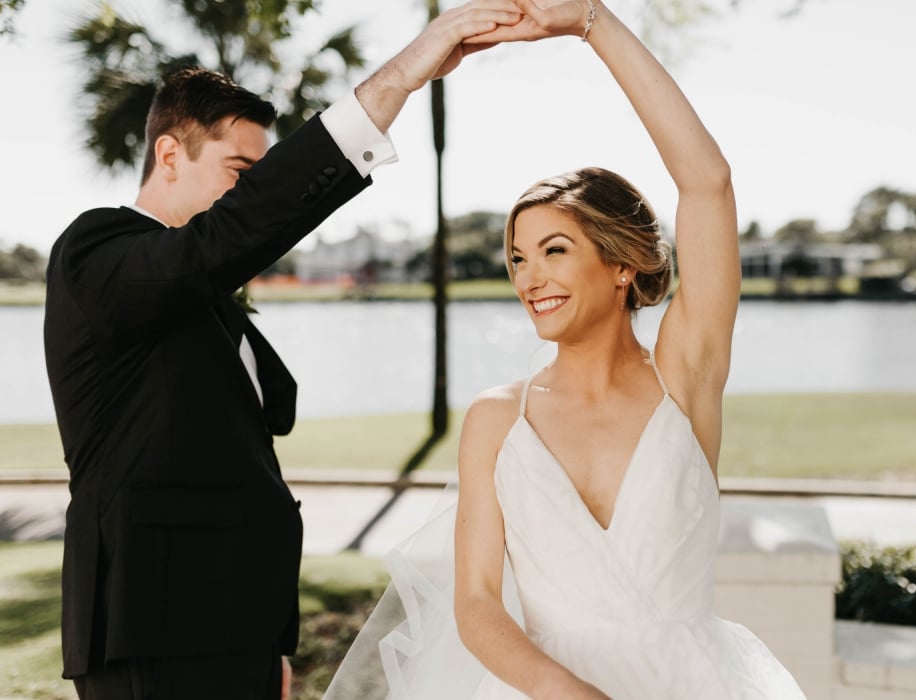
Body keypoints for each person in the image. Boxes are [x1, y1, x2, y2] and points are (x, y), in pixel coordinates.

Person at [327, 0, 807, 697]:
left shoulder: (685, 378)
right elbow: (477, 606)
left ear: (622, 266)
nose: (531, 278)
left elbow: (708, 181)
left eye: (555, 250)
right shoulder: (497, 420)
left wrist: (592, 22)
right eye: (518, 259)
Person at [42, 3, 523, 698]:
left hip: (232, 629)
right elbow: (229, 238)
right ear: (169, 153)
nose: (253, 199)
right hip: (151, 627)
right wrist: (404, 76)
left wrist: (267, 639)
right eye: (241, 172)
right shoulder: (97, 250)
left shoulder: (199, 289)